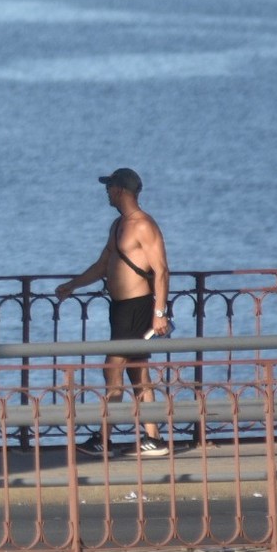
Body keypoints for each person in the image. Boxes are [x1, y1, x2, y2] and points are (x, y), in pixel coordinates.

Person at [54, 167, 172, 457]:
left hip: (138, 308)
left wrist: (160, 312)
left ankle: (104, 438)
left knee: (112, 368)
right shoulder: (119, 225)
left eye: (109, 187)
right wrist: (73, 285)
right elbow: (102, 265)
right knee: (136, 372)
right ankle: (153, 439)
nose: (106, 191)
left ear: (120, 190)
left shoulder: (144, 225)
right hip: (119, 309)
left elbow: (161, 270)